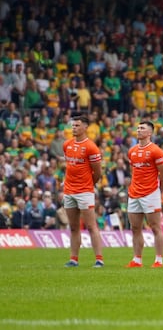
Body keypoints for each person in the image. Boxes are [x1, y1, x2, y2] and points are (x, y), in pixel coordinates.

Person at [62, 115, 104, 268]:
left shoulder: (91, 147)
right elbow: (69, 166)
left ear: (85, 127)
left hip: (84, 191)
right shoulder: (67, 145)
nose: (74, 128)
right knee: (73, 227)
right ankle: (74, 259)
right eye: (73, 125)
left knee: (91, 226)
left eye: (77, 125)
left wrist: (88, 185)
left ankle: (99, 259)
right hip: (69, 191)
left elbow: (98, 172)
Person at [126, 121, 163, 268]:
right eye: (138, 127)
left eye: (142, 128)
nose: (138, 130)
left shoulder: (156, 151)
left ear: (149, 133)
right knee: (135, 228)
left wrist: (159, 190)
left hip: (151, 193)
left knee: (155, 227)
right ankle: (137, 259)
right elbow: (133, 171)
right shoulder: (132, 151)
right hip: (134, 193)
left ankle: (159, 260)